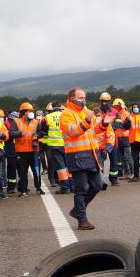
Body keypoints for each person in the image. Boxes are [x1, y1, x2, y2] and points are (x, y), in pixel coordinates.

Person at [60, 87, 113, 230]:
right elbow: (72, 131)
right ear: (72, 99)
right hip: (76, 156)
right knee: (81, 188)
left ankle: (77, 210)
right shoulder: (66, 114)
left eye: (84, 97)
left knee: (97, 186)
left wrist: (105, 123)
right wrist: (87, 120)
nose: (84, 100)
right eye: (81, 97)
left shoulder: (87, 112)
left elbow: (96, 129)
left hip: (91, 155)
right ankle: (82, 220)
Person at [10, 102, 45, 196]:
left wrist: (37, 135)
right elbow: (11, 133)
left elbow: (42, 132)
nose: (31, 113)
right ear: (23, 112)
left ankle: (38, 188)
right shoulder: (16, 121)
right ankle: (24, 190)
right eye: (29, 111)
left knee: (36, 170)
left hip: (34, 151)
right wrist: (20, 133)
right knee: (23, 172)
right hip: (21, 151)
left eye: (31, 111)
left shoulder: (36, 122)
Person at [37, 103, 70, 195]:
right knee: (68, 166)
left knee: (60, 167)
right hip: (67, 144)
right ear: (60, 107)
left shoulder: (47, 118)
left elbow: (44, 131)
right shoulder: (67, 115)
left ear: (51, 109)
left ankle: (65, 187)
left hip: (55, 146)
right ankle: (72, 186)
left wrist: (36, 136)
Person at [98, 92, 120, 186]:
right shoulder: (96, 111)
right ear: (100, 101)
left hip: (112, 141)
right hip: (100, 142)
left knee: (114, 161)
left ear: (109, 101)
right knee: (99, 162)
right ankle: (100, 180)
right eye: (103, 101)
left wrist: (107, 125)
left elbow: (119, 124)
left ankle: (114, 179)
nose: (104, 103)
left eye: (106, 101)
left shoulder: (115, 112)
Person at [3, 111, 20, 193]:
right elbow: (6, 136)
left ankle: (21, 186)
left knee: (21, 168)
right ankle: (11, 187)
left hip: (18, 148)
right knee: (12, 168)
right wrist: (14, 134)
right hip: (10, 148)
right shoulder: (6, 124)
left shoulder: (18, 123)